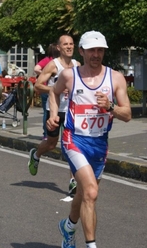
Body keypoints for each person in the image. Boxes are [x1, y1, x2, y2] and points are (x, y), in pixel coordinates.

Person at [50, 31, 131, 248]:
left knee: (86, 194)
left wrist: (111, 107)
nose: (96, 54)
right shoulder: (69, 76)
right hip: (74, 139)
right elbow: (54, 92)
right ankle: (91, 245)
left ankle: (68, 226)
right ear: (82, 51)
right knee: (91, 192)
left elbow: (128, 114)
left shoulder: (115, 78)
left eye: (100, 50)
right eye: (92, 50)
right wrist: (52, 115)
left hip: (99, 144)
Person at [28, 35, 80, 194]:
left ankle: (73, 182)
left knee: (73, 146)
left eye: (71, 44)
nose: (69, 47)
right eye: (65, 44)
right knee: (51, 143)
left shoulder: (77, 65)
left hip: (72, 111)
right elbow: (37, 86)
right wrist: (55, 89)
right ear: (59, 47)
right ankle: (36, 155)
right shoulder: (53, 65)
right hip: (55, 110)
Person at [34, 43, 60, 139]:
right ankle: (48, 133)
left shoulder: (48, 60)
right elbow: (36, 68)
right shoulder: (52, 61)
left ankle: (46, 134)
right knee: (53, 112)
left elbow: (36, 69)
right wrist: (46, 75)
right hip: (48, 88)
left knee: (48, 112)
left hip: (47, 89)